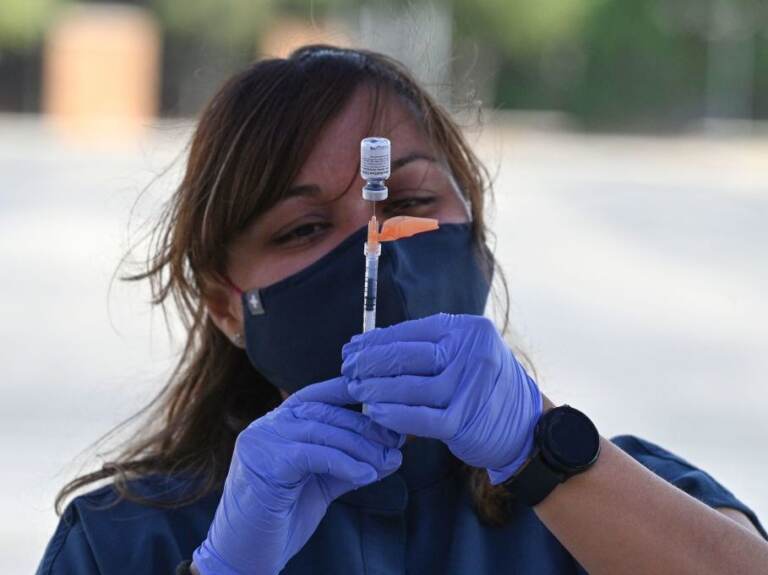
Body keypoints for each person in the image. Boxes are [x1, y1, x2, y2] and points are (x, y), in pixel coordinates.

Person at [36, 45, 768, 575]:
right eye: (303, 229)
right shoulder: (121, 542)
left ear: (477, 238)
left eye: (412, 202)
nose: (372, 243)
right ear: (226, 305)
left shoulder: (617, 499)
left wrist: (543, 452)